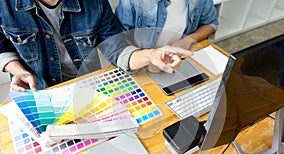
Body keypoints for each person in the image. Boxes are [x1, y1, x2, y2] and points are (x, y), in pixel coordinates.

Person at [0, 0, 191, 92]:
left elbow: (116, 48)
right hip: (37, 93)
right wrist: (17, 71)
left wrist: (151, 55)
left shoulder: (95, 2)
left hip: (87, 88)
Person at [115, 0, 218, 72]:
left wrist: (188, 40)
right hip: (143, 67)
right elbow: (120, 39)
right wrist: (147, 59)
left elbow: (211, 23)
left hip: (181, 59)